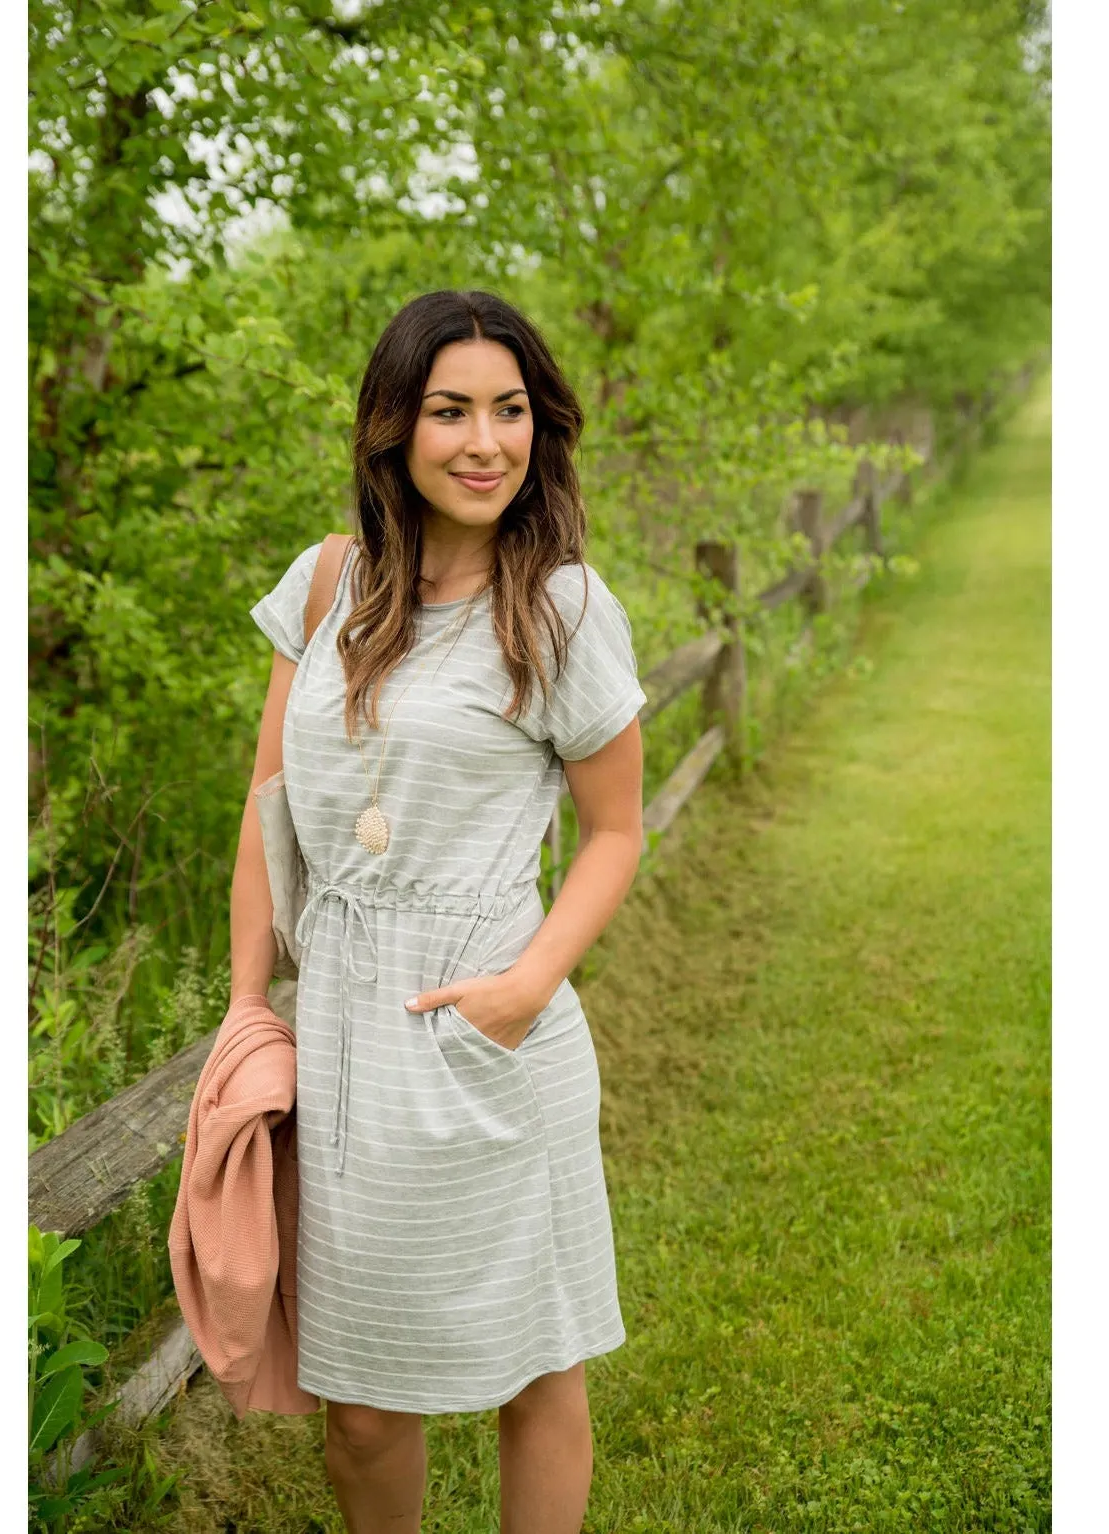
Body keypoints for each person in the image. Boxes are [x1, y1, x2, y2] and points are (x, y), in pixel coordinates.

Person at [232, 288, 648, 1533]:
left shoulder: (564, 608)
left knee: (535, 1361)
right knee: (358, 1402)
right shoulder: (323, 586)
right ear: (391, 430)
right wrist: (248, 1007)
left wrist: (523, 991)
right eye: (450, 410)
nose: (485, 442)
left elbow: (616, 832)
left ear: (541, 427)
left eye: (510, 411)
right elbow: (268, 804)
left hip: (489, 1023)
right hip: (348, 1036)